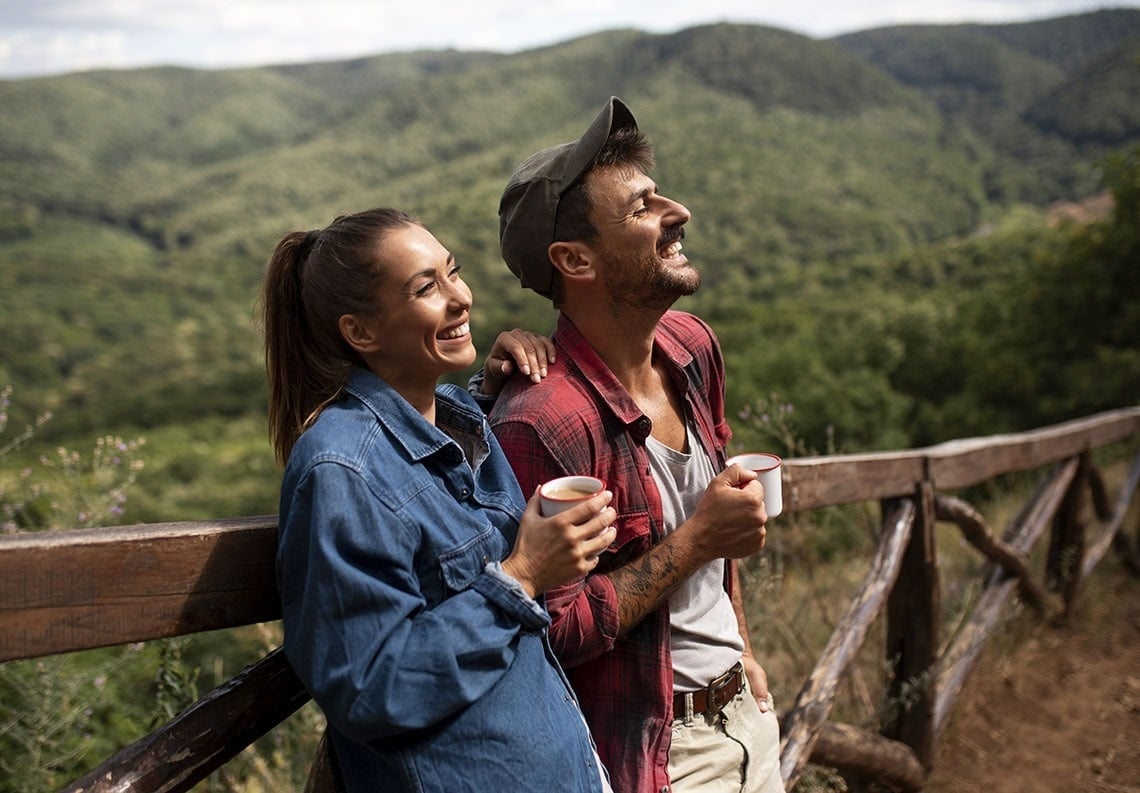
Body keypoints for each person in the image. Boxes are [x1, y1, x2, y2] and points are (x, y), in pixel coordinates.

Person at [483, 97, 785, 793]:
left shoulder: (692, 346)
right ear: (574, 259)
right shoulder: (541, 421)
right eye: (643, 206)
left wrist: (744, 648)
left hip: (749, 714)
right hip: (658, 757)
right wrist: (700, 539)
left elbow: (719, 512)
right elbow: (551, 629)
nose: (676, 211)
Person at [260, 207, 619, 792]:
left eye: (453, 272)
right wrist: (523, 574)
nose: (461, 298)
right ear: (361, 332)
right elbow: (367, 686)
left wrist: (488, 386)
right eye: (426, 288)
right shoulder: (340, 470)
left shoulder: (456, 414)